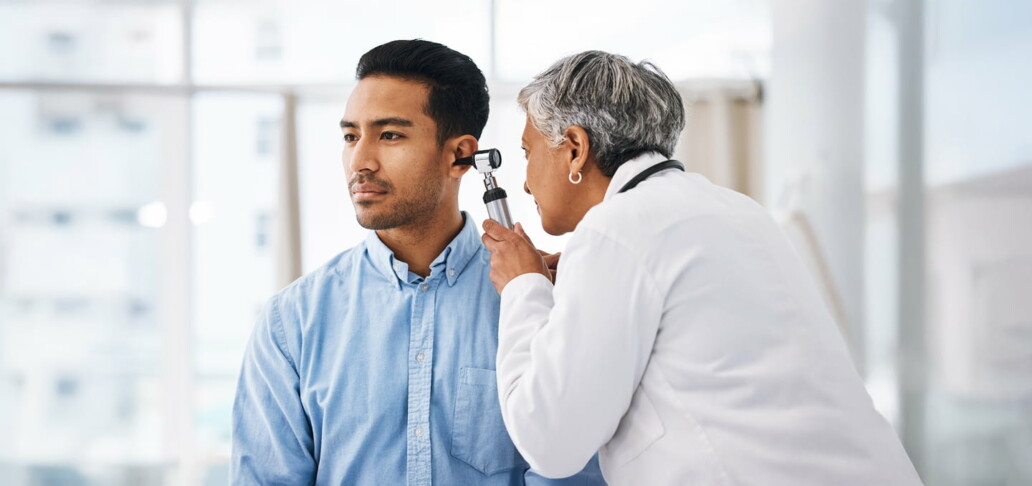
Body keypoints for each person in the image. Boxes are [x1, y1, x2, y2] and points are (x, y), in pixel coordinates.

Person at [481, 50, 922, 485]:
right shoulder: (738, 210)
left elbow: (550, 440)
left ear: (575, 149)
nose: (524, 180)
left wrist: (523, 289)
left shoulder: (614, 229)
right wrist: (575, 284)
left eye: (527, 153)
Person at [231, 39, 604, 485]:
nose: (360, 162)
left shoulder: (543, 303)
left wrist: (539, 296)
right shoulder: (291, 323)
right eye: (351, 136)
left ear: (459, 154)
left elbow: (575, 470)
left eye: (390, 135)